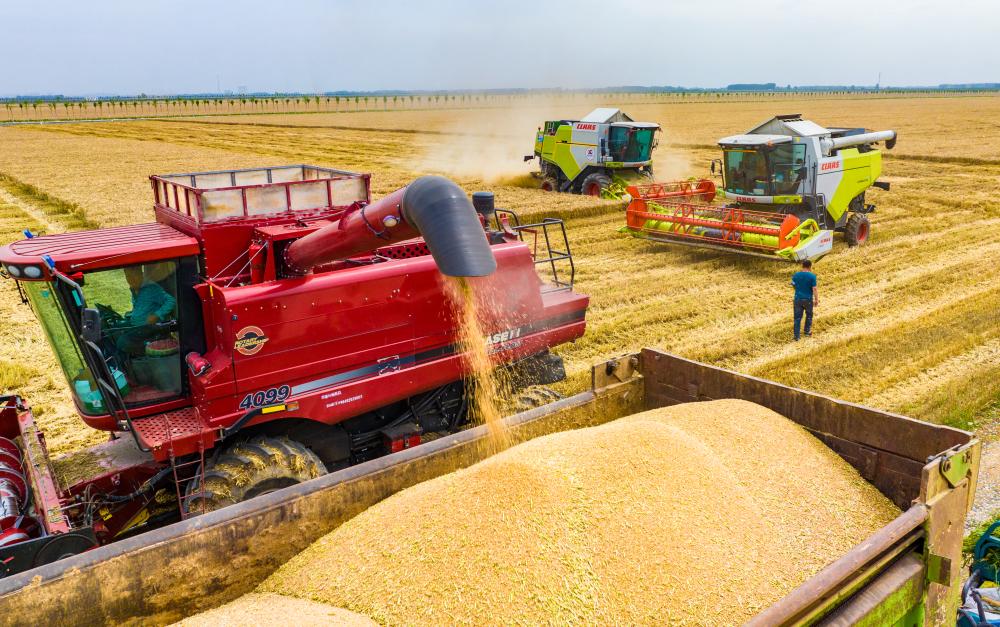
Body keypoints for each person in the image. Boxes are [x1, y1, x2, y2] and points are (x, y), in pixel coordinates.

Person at [116, 265, 176, 356]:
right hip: (136, 326)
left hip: (148, 329)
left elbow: (171, 301)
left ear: (141, 273)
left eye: (134, 275)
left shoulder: (151, 288)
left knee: (122, 342)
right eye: (128, 276)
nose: (131, 279)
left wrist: (157, 315)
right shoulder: (135, 288)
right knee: (115, 332)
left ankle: (145, 354)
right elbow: (141, 307)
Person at [791, 260, 818, 341]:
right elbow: (814, 289)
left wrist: (798, 289)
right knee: (809, 316)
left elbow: (793, 284)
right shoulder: (812, 276)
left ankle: (797, 336)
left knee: (797, 318)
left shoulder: (796, 275)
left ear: (802, 266)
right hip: (808, 299)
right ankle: (806, 331)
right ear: (810, 266)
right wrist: (816, 299)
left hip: (797, 299)